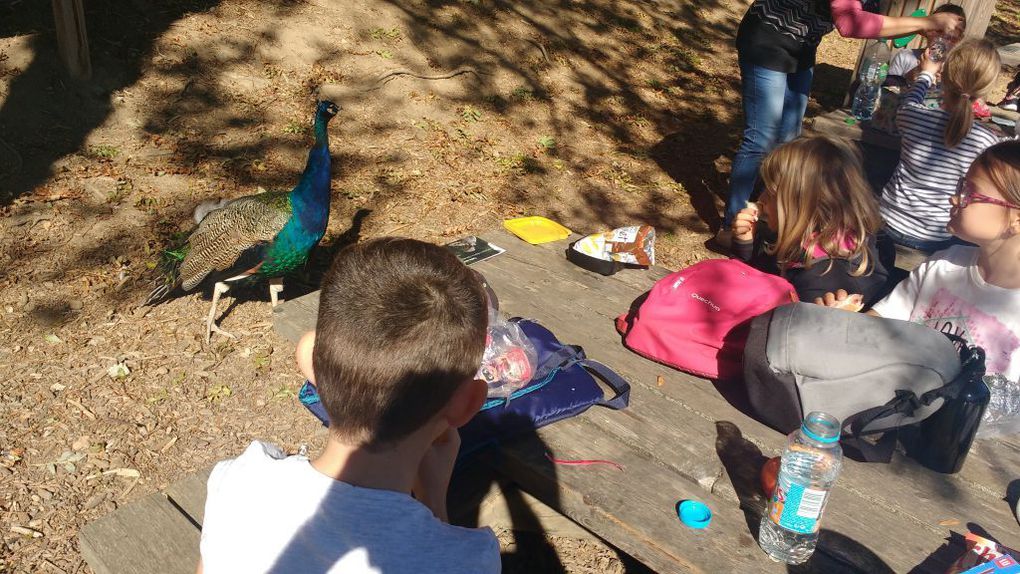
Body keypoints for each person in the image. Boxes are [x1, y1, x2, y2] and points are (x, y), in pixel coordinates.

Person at [197, 238, 501, 573]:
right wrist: (433, 502)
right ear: (466, 405)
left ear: (310, 359)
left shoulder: (239, 482)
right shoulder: (465, 559)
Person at [717, 0, 964, 250]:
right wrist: (927, 22)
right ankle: (731, 228)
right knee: (761, 138)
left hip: (802, 46)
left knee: (790, 138)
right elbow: (848, 22)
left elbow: (868, 18)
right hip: (769, 38)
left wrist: (921, 28)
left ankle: (774, 219)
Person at [818, 141, 1020, 384]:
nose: (955, 199)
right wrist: (841, 323)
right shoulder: (943, 264)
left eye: (970, 192)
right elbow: (880, 322)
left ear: (1016, 218)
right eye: (961, 186)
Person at [731, 134, 892, 305]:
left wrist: (742, 260)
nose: (761, 199)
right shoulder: (845, 238)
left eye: (770, 194)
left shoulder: (817, 284)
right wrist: (745, 245)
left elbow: (751, 306)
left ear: (800, 206)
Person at [881, 39, 1004, 252]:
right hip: (937, 236)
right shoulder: (986, 142)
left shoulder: (911, 115)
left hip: (888, 220)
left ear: (944, 75)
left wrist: (926, 73)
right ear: (986, 88)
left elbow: (911, 100)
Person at [886, 4, 967, 85]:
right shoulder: (905, 57)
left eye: (950, 37)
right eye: (939, 32)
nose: (942, 41)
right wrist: (913, 74)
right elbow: (886, 91)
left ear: (959, 39)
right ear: (927, 31)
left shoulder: (961, 70)